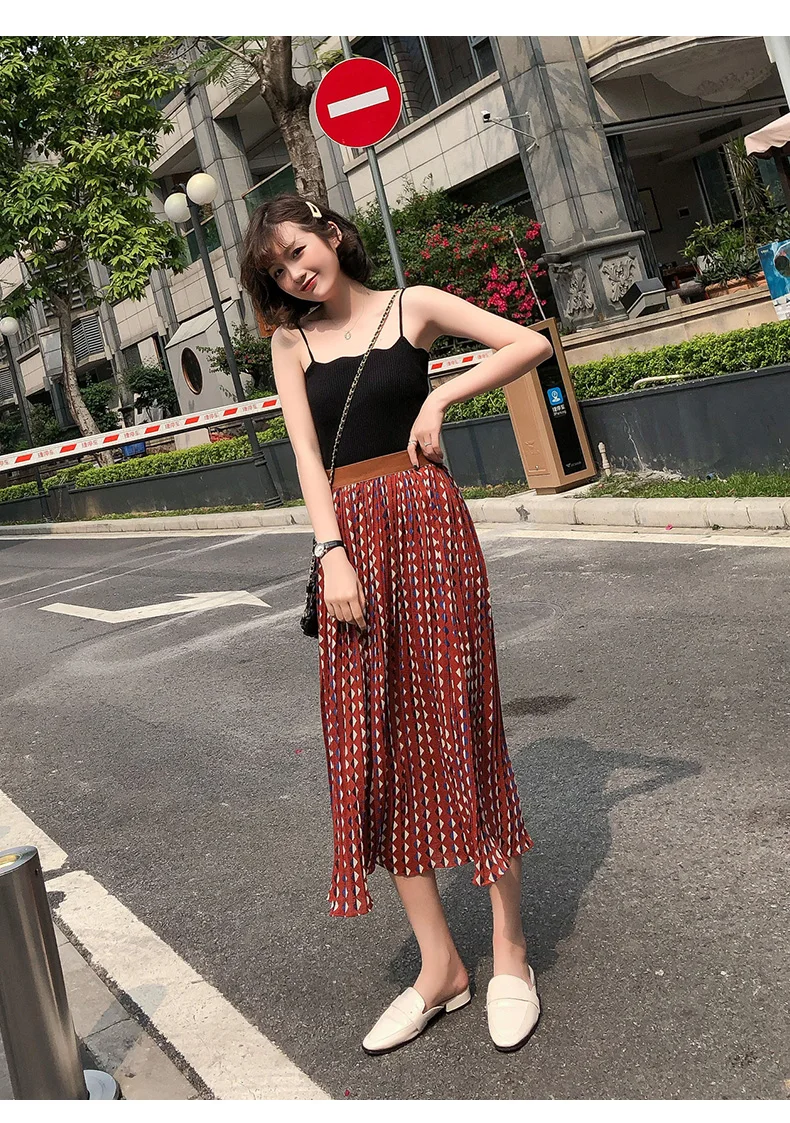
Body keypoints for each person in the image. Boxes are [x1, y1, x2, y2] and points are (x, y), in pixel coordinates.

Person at [239, 193, 554, 1056]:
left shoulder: (412, 306)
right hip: (350, 544)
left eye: (299, 250)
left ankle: (510, 952)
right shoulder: (290, 345)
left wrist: (443, 394)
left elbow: (527, 342)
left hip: (427, 525)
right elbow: (308, 456)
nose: (296, 273)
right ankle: (439, 964)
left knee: (462, 726)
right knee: (373, 746)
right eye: (277, 269)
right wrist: (330, 552)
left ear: (332, 234)